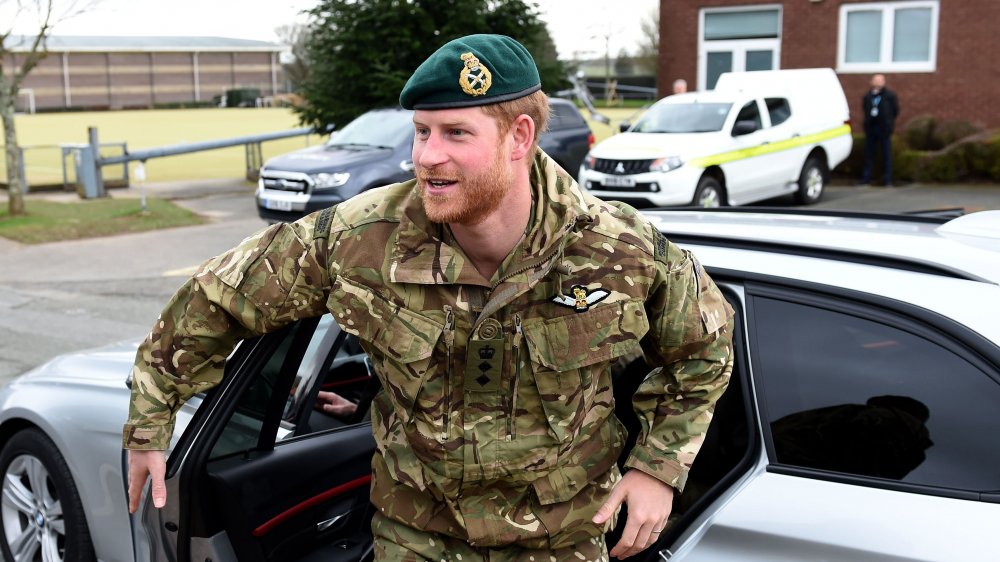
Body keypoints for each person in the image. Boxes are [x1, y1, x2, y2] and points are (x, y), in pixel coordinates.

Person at [123, 34, 734, 561]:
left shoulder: (617, 249)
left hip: (563, 538)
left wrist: (657, 467)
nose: (425, 157)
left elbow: (704, 346)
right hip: (415, 535)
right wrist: (149, 424)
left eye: (454, 134)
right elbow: (216, 298)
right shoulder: (360, 240)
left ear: (518, 137)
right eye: (420, 132)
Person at [860, 73, 900, 187]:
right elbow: (865, 109)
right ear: (871, 82)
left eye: (880, 80)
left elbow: (895, 110)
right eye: (876, 80)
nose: (878, 82)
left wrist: (888, 123)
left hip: (884, 129)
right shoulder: (867, 96)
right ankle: (866, 179)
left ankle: (888, 180)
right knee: (869, 155)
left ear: (884, 82)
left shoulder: (890, 95)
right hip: (871, 128)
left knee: (886, 154)